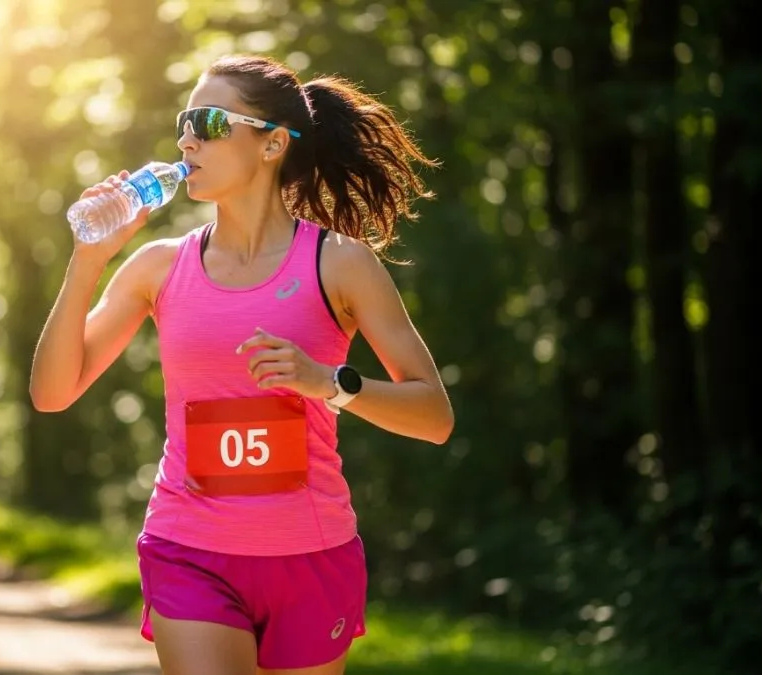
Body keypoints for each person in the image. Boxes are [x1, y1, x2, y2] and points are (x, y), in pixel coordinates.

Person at [29, 54, 454, 675]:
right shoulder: (157, 266)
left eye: (209, 121)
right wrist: (87, 262)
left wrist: (328, 383)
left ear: (273, 143)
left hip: (309, 551)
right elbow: (51, 392)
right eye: (184, 122)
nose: (187, 139)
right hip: (188, 548)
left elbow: (434, 416)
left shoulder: (339, 263)